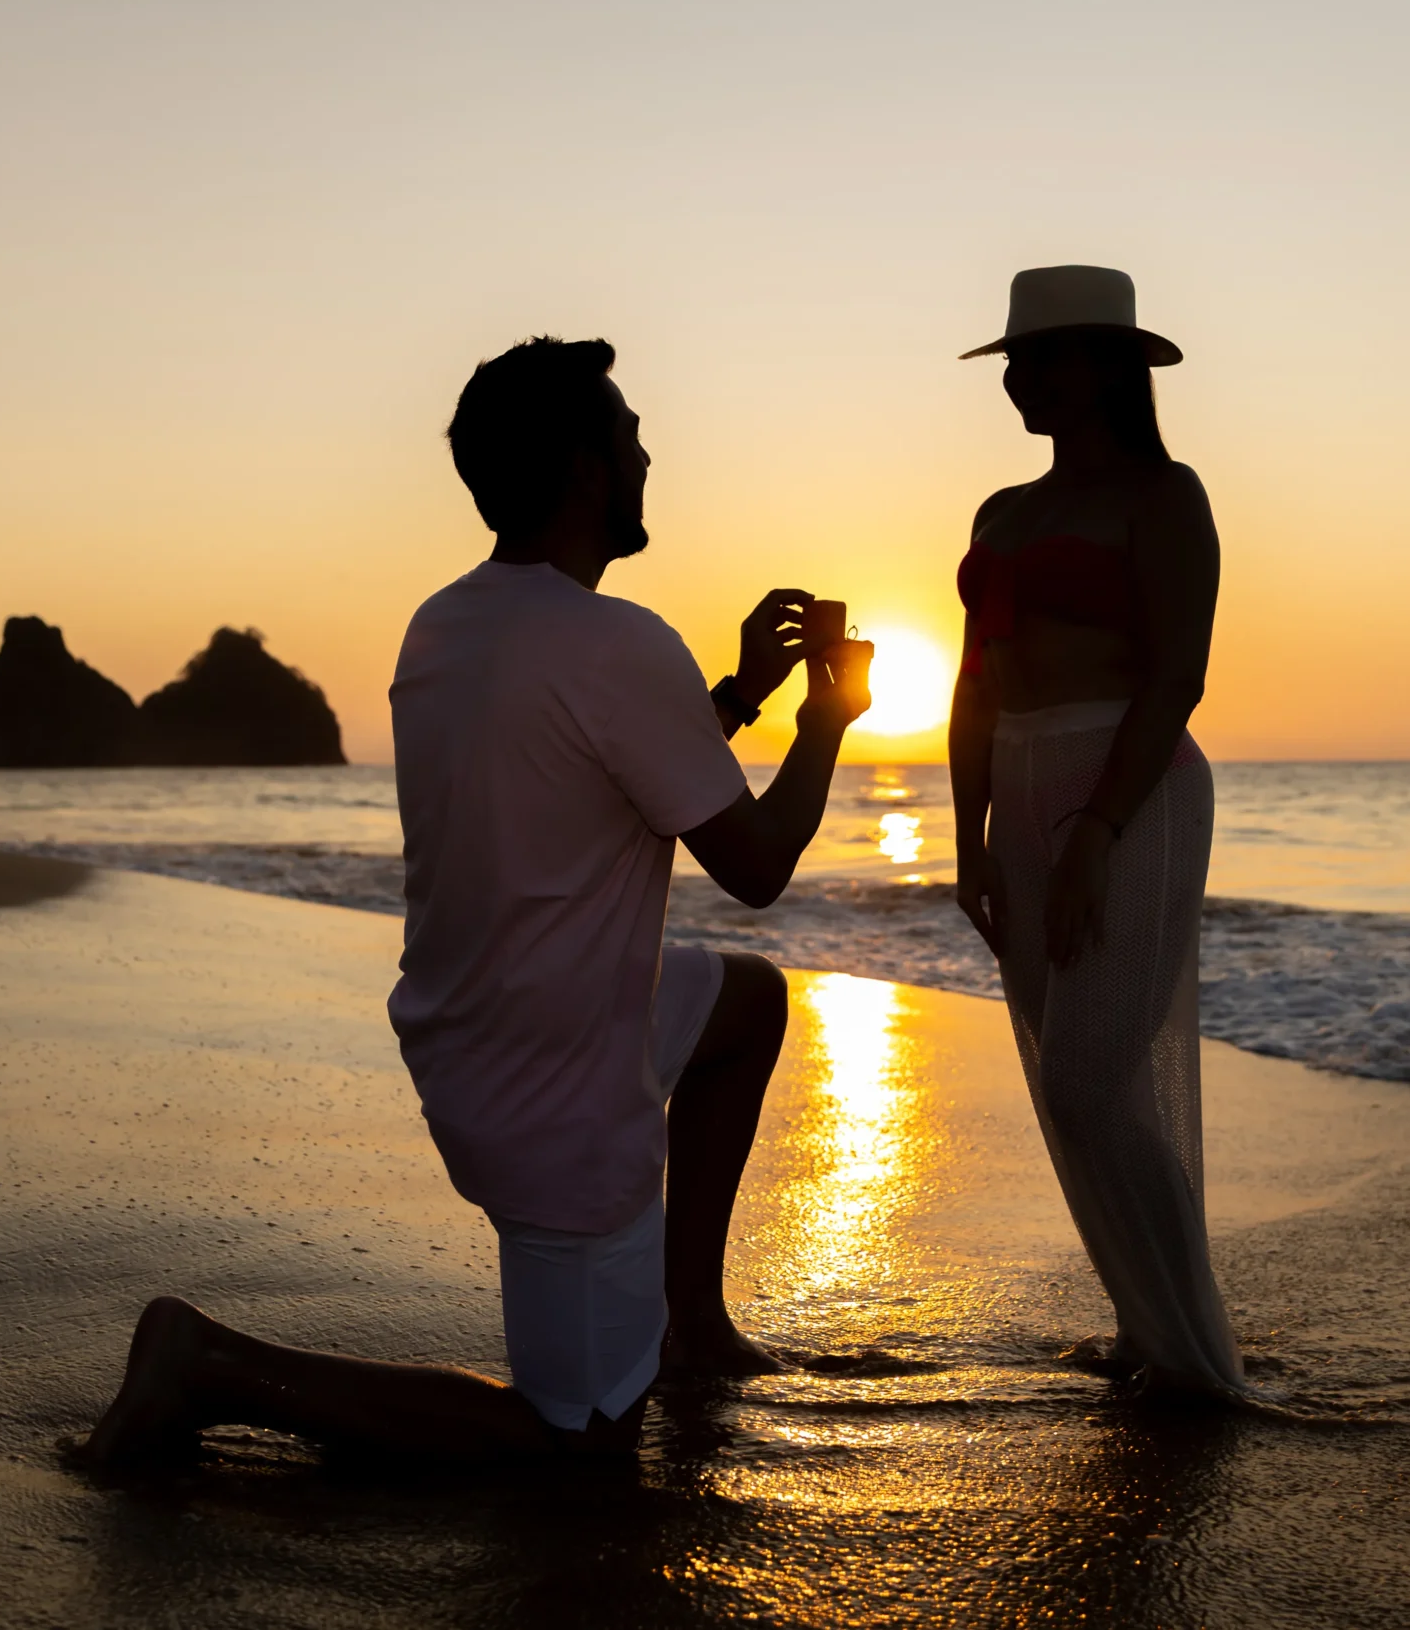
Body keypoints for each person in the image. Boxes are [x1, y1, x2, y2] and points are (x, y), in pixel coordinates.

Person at [73, 336, 872, 1468]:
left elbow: (582, 765)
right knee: (580, 1450)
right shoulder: (614, 641)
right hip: (560, 1089)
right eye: (631, 432)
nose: (648, 452)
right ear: (589, 470)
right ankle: (202, 1361)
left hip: (478, 1033)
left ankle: (687, 1320)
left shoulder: (448, 623)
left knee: (742, 1005)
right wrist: (822, 725)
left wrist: (731, 696)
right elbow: (755, 864)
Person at [946, 265, 1250, 1398]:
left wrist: (1092, 837)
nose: (1017, 378)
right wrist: (969, 835)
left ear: (1105, 368)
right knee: (1069, 1083)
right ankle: (1142, 1329)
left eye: (1037, 358)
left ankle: (1196, 1355)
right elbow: (972, 682)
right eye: (1012, 360)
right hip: (1017, 788)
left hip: (1128, 786)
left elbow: (1177, 677)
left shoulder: (1165, 496)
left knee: (1087, 1078)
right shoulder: (999, 512)